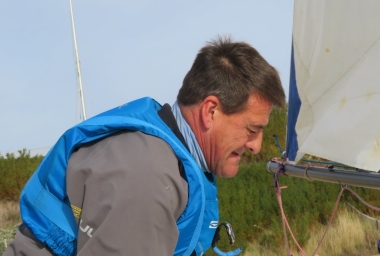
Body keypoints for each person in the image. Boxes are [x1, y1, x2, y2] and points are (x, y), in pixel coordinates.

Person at [3, 36, 285, 256]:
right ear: (210, 111)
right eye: (252, 129)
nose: (256, 146)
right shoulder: (145, 176)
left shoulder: (166, 157)